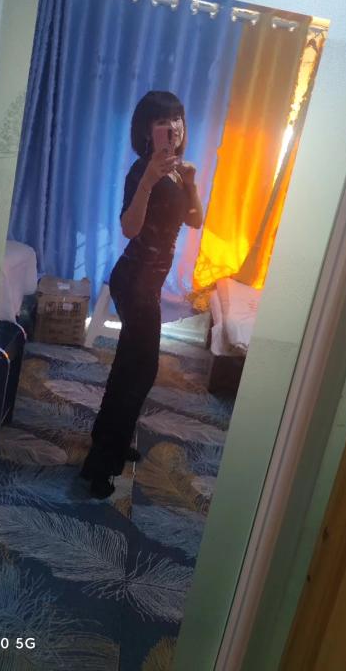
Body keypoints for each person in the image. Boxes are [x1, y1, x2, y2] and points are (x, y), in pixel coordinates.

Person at [81, 91, 203, 498]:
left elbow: (195, 220)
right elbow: (129, 229)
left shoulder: (178, 172)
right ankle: (101, 465)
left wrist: (191, 184)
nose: (174, 127)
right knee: (139, 370)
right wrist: (148, 182)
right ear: (147, 131)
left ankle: (108, 442)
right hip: (135, 281)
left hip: (148, 282)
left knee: (131, 367)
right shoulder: (142, 172)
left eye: (178, 119)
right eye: (163, 121)